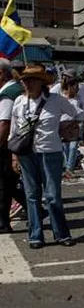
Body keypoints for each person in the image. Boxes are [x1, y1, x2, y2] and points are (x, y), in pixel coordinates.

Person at [11, 65, 78, 248]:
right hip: (26, 153)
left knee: (52, 196)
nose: (27, 84)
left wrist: (65, 128)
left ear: (41, 83)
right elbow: (14, 131)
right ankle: (35, 236)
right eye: (25, 80)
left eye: (31, 80)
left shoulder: (56, 100)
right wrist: (14, 157)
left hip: (50, 153)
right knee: (31, 195)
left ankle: (62, 234)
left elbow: (78, 114)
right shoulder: (18, 101)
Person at [0, 59, 25, 234]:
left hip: (7, 145)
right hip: (15, 143)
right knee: (10, 184)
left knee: (4, 184)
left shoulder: (8, 94)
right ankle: (37, 210)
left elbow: (4, 123)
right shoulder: (14, 89)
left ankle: (2, 222)